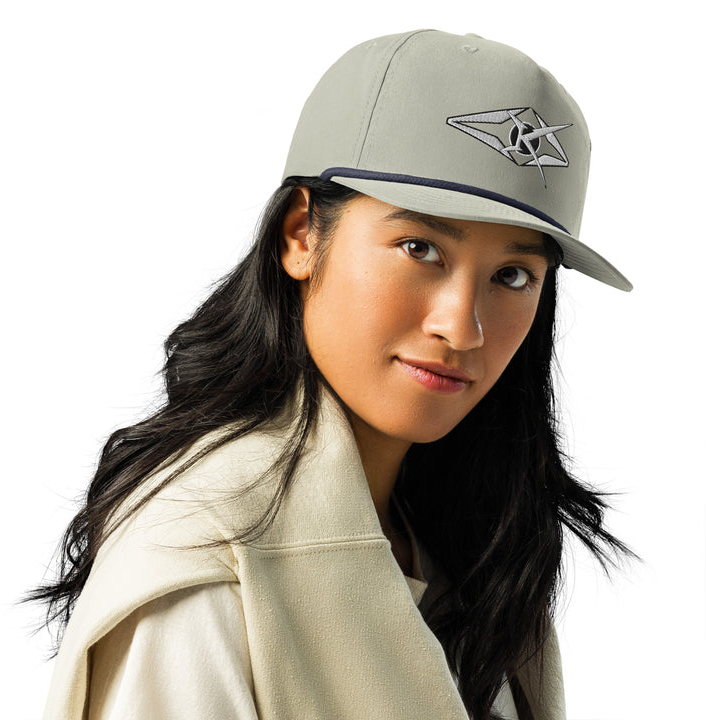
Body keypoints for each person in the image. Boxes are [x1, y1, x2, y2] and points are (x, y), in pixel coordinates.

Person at [32, 30, 633, 720]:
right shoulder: (211, 560)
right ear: (300, 234)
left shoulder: (468, 550)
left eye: (513, 275)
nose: (462, 327)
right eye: (420, 247)